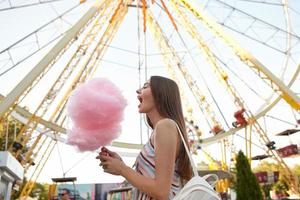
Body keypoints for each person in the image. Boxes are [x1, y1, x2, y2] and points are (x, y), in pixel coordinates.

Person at [96, 76, 192, 200]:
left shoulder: (165, 125)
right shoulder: (160, 129)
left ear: (160, 94)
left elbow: (161, 192)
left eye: (146, 86)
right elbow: (153, 183)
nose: (138, 90)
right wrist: (121, 166)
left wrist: (122, 169)